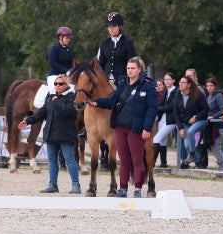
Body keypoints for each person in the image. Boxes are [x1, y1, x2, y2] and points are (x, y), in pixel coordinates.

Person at [89, 56, 157, 197]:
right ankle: (123, 188)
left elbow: (152, 109)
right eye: (128, 68)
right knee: (124, 160)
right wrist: (98, 103)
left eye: (132, 68)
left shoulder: (148, 86)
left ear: (139, 69)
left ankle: (138, 188)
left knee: (137, 160)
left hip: (136, 129)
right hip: (120, 127)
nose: (130, 71)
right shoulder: (122, 84)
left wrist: (147, 128)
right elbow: (113, 101)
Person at [19, 74, 80, 194]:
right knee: (52, 160)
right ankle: (52, 184)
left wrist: (57, 102)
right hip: (51, 133)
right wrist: (27, 120)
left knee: (70, 160)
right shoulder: (51, 96)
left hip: (66, 134)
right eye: (56, 84)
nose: (57, 86)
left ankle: (76, 185)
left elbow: (69, 112)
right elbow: (42, 112)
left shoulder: (72, 96)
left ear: (66, 85)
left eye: (60, 84)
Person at [172, 75, 210, 169]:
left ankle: (191, 155)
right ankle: (198, 163)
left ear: (189, 84)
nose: (180, 84)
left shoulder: (197, 94)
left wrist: (196, 117)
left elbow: (206, 109)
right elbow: (176, 113)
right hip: (185, 123)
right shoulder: (177, 95)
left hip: (201, 120)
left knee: (191, 132)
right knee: (187, 145)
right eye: (180, 82)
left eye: (183, 82)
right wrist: (180, 128)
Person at [97, 11, 136, 82]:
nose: (111, 29)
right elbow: (101, 63)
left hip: (122, 79)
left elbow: (131, 63)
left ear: (120, 27)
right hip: (106, 79)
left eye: (114, 26)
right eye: (109, 26)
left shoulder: (128, 43)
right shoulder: (104, 43)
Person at [152, 72, 178, 168]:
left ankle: (151, 162)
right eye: (165, 79)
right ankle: (163, 163)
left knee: (156, 138)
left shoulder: (176, 91)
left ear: (173, 80)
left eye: (169, 79)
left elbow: (172, 106)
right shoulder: (165, 92)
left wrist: (159, 108)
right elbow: (161, 104)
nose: (167, 81)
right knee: (162, 141)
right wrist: (159, 108)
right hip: (162, 118)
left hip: (171, 119)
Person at [203, 77, 223, 171]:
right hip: (211, 126)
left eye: (211, 85)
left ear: (215, 86)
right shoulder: (209, 96)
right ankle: (222, 163)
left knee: (216, 146)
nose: (209, 87)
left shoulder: (219, 96)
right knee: (213, 146)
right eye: (208, 86)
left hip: (218, 125)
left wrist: (213, 117)